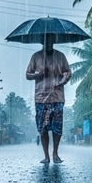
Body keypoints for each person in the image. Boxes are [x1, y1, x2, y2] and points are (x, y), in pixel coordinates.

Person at [25, 34, 72, 163]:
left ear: (54, 41)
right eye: (46, 41)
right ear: (42, 42)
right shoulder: (36, 57)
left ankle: (55, 153)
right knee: (43, 127)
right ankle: (46, 156)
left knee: (57, 127)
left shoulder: (60, 56)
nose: (48, 43)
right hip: (41, 98)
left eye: (51, 40)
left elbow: (68, 72)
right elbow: (27, 75)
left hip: (57, 96)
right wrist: (39, 74)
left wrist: (63, 80)